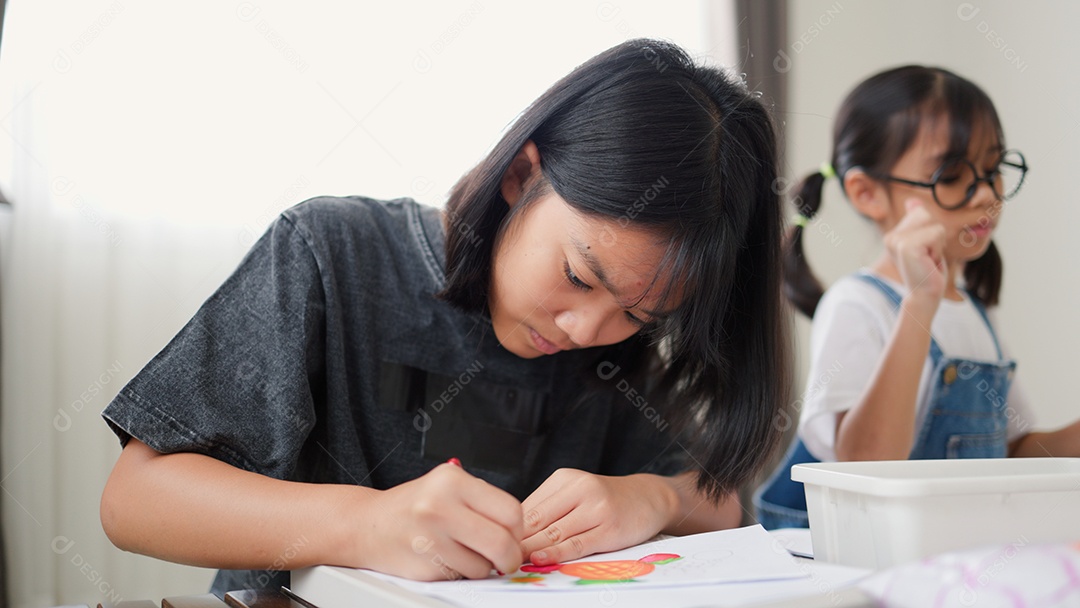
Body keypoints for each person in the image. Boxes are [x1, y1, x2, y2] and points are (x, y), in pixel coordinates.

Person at [99, 39, 791, 594]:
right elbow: (133, 500)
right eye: (578, 277)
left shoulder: (618, 354)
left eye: (638, 314)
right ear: (522, 177)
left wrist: (653, 498)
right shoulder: (332, 254)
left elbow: (721, 501)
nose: (586, 331)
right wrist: (365, 523)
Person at [754, 65, 1080, 530]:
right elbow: (865, 467)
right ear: (867, 193)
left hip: (941, 549)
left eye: (993, 170)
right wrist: (920, 303)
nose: (985, 194)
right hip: (852, 560)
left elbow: (1012, 450)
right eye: (952, 175)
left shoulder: (975, 310)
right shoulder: (856, 305)